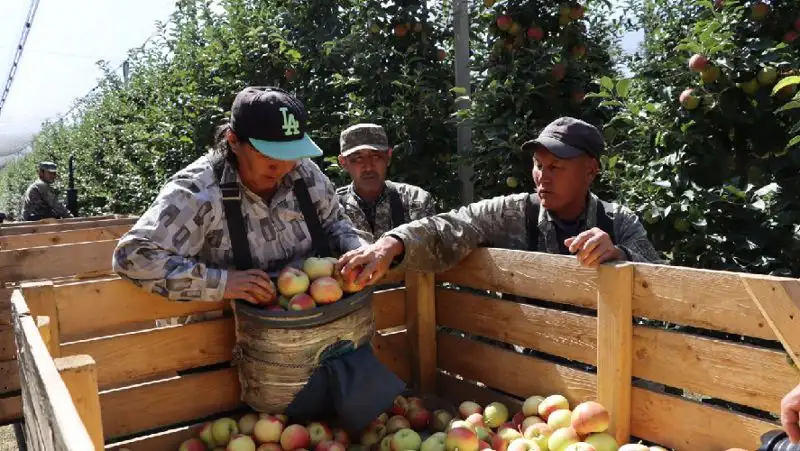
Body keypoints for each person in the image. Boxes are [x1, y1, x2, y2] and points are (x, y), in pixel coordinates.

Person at [112, 86, 368, 312]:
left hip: (308, 315)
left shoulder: (304, 173)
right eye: (271, 156)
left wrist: (358, 251)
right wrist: (222, 283)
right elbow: (132, 256)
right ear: (233, 142)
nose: (284, 167)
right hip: (223, 331)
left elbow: (335, 222)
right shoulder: (198, 191)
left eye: (292, 154)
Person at [336, 116, 663, 285]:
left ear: (590, 170)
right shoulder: (516, 211)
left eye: (556, 167)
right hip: (534, 366)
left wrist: (620, 254)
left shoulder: (617, 220)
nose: (542, 177)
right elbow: (455, 225)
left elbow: (659, 276)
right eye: (538, 165)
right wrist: (391, 244)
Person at [335, 123, 436, 242]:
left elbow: (431, 250)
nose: (368, 167)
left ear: (388, 157)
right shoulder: (332, 207)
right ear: (343, 162)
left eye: (376, 156)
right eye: (358, 158)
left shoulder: (415, 200)